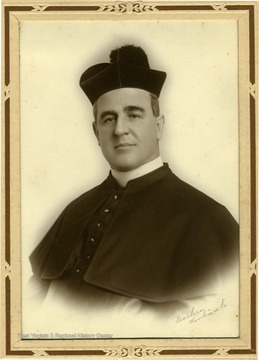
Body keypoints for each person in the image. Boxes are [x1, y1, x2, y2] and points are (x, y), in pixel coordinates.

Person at [28, 45, 239, 336]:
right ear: (95, 132)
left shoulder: (208, 218)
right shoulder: (75, 209)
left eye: (134, 114)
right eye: (109, 118)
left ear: (159, 126)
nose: (119, 130)